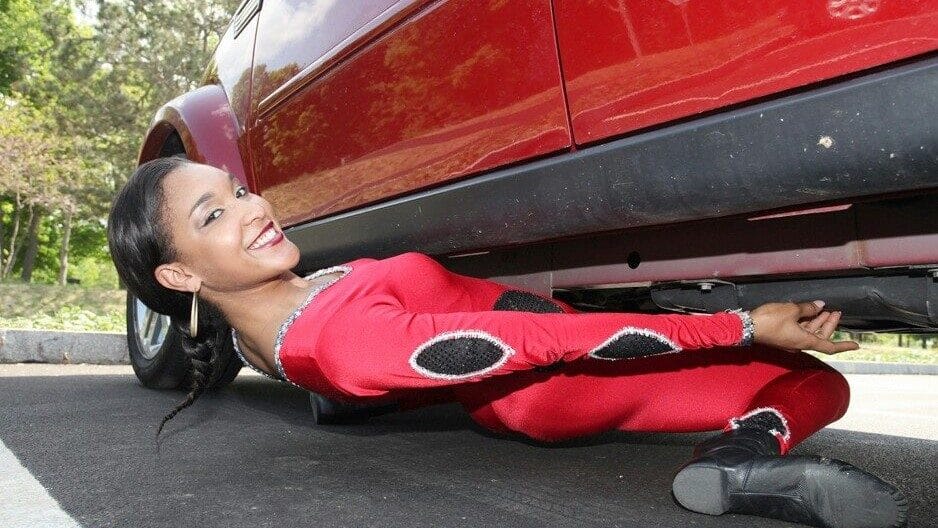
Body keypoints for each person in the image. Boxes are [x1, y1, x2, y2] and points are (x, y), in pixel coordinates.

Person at [107, 157, 908, 528]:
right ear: (180, 277)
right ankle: (736, 458)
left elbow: (302, 358)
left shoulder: (271, 320)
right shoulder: (344, 340)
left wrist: (347, 396)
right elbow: (548, 340)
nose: (253, 207)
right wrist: (740, 324)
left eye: (236, 188)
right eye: (215, 216)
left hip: (514, 380)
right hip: (553, 382)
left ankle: (737, 459)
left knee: (795, 384)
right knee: (813, 381)